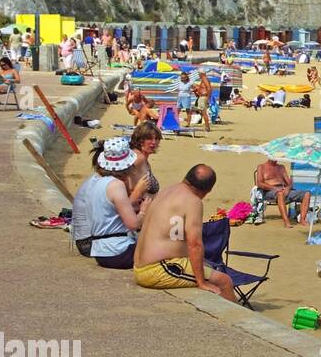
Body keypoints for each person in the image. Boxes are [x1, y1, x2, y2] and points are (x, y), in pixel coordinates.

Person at [133, 164, 235, 301]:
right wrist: (201, 282)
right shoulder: (193, 201)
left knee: (208, 269)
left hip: (140, 267)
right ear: (207, 191)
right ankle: (235, 322)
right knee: (224, 281)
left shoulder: (166, 192)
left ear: (186, 177)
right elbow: (195, 244)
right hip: (158, 269)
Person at [73, 138, 145, 268]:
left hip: (100, 252)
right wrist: (144, 210)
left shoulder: (97, 182)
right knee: (163, 246)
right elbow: (133, 224)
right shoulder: (116, 185)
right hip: (118, 252)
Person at [255, 158, 311, 228]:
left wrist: (287, 188)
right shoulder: (261, 167)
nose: (275, 158)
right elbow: (260, 183)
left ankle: (302, 220)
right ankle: (286, 222)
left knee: (307, 194)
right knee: (280, 194)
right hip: (269, 191)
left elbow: (289, 182)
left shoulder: (281, 167)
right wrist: (275, 188)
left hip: (284, 189)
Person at [126, 121, 163, 209]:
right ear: (140, 139)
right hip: (135, 213)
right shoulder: (139, 158)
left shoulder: (142, 157)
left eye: (157, 138)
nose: (154, 142)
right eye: (149, 138)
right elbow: (125, 183)